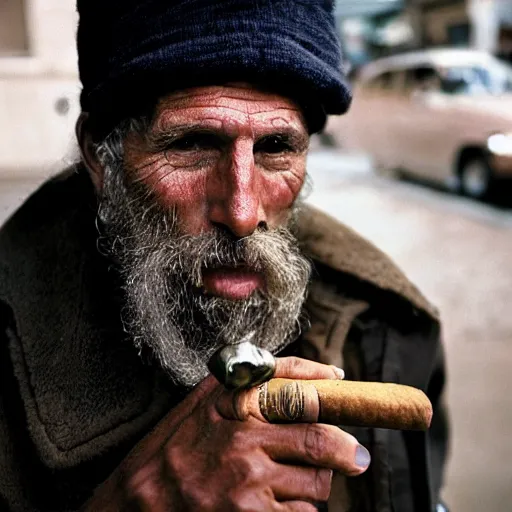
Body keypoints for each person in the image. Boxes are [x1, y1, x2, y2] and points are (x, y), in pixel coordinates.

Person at [0, 1, 449, 511]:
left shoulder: (388, 323)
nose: (241, 211)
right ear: (101, 157)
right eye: (193, 144)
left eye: (276, 145)